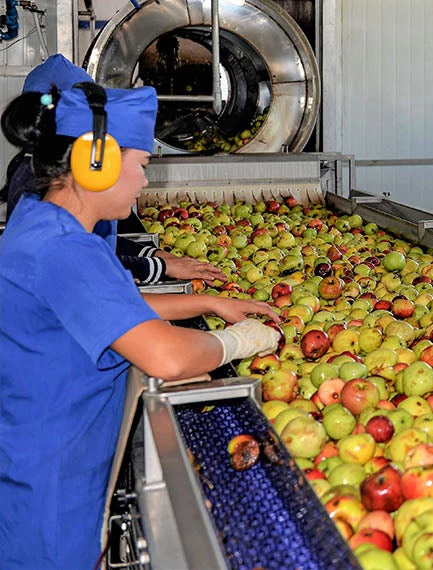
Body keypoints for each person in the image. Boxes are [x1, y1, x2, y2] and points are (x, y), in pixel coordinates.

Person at [0, 82, 282, 568]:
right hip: (50, 492)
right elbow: (167, 357)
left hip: (41, 458)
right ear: (96, 162)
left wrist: (212, 301)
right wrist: (237, 342)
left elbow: (111, 304)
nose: (144, 184)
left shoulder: (44, 221)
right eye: (143, 166)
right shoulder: (64, 250)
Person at [2, 54, 224, 285]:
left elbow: (99, 245)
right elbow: (85, 268)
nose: (144, 180)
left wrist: (153, 255)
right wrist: (159, 266)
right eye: (141, 165)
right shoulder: (38, 190)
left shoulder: (60, 185)